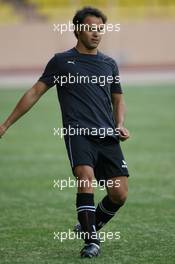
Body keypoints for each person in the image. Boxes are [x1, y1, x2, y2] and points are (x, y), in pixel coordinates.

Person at [0, 6, 130, 258]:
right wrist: (5, 124)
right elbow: (35, 92)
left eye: (100, 29)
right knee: (86, 178)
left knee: (119, 193)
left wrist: (119, 123)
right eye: (91, 28)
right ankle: (92, 242)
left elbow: (118, 99)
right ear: (78, 30)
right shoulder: (61, 61)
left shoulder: (109, 63)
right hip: (78, 134)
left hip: (107, 136)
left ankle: (87, 225)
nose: (96, 33)